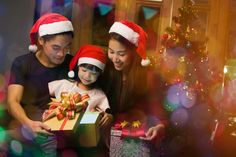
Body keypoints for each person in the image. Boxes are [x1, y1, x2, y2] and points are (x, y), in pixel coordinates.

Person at [7, 13, 74, 157]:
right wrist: (28, 123)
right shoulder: (22, 63)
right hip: (26, 129)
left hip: (60, 132)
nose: (61, 54)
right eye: (56, 47)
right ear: (41, 40)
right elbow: (13, 101)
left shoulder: (73, 64)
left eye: (67, 47)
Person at [102, 20, 168, 151]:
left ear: (133, 53)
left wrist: (159, 127)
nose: (115, 58)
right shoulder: (106, 72)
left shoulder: (149, 77)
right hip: (109, 141)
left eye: (121, 54)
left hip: (136, 142)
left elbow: (160, 116)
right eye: (111, 51)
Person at [48, 44, 113, 127]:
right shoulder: (65, 85)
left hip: (83, 132)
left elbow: (107, 112)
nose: (87, 76)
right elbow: (42, 92)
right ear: (78, 67)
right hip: (59, 127)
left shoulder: (99, 95)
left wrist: (109, 116)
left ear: (99, 75)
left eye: (93, 73)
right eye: (84, 70)